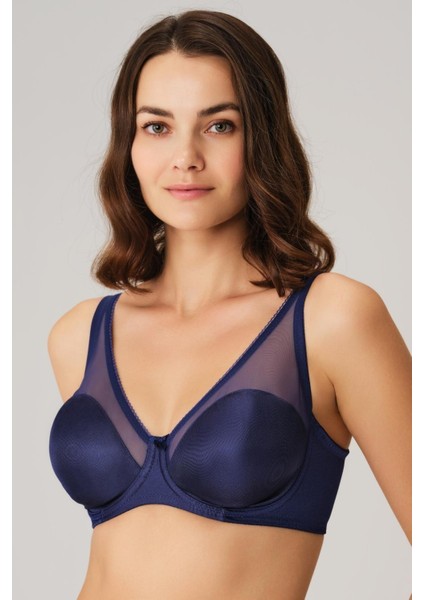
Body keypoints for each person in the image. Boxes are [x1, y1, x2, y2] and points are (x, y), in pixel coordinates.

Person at [47, 10, 411, 600]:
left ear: (262, 137)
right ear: (129, 144)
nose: (185, 156)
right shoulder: (81, 335)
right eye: (157, 127)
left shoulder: (331, 319)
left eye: (219, 126)